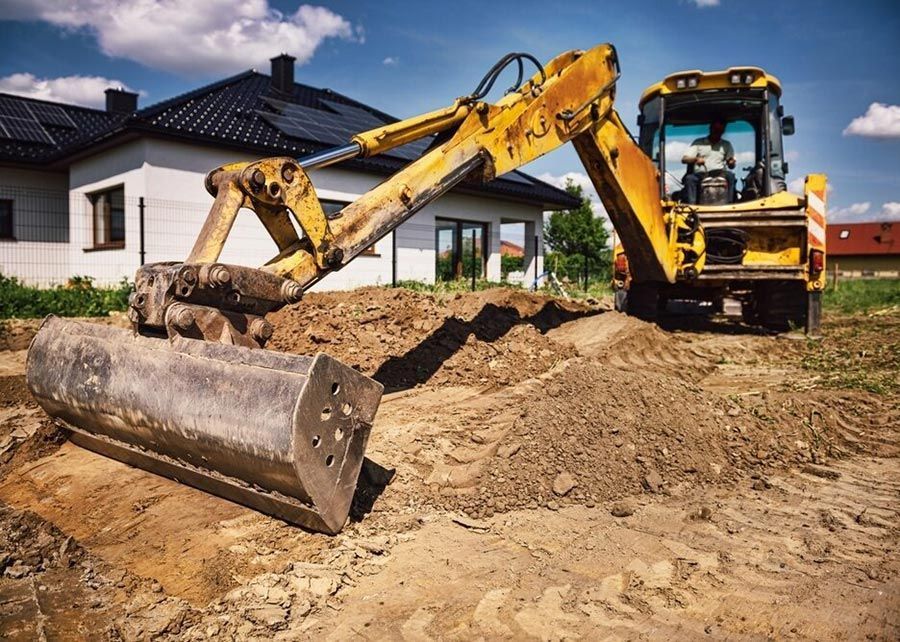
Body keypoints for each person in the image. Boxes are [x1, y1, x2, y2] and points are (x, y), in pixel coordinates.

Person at [681, 118, 736, 203]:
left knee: (731, 176)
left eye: (720, 130)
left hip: (720, 173)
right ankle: (692, 206)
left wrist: (731, 162)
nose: (717, 132)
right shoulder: (698, 142)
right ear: (711, 129)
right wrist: (696, 159)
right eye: (716, 129)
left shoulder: (726, 145)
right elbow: (684, 159)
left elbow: (731, 165)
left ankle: (730, 203)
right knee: (689, 179)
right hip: (701, 174)